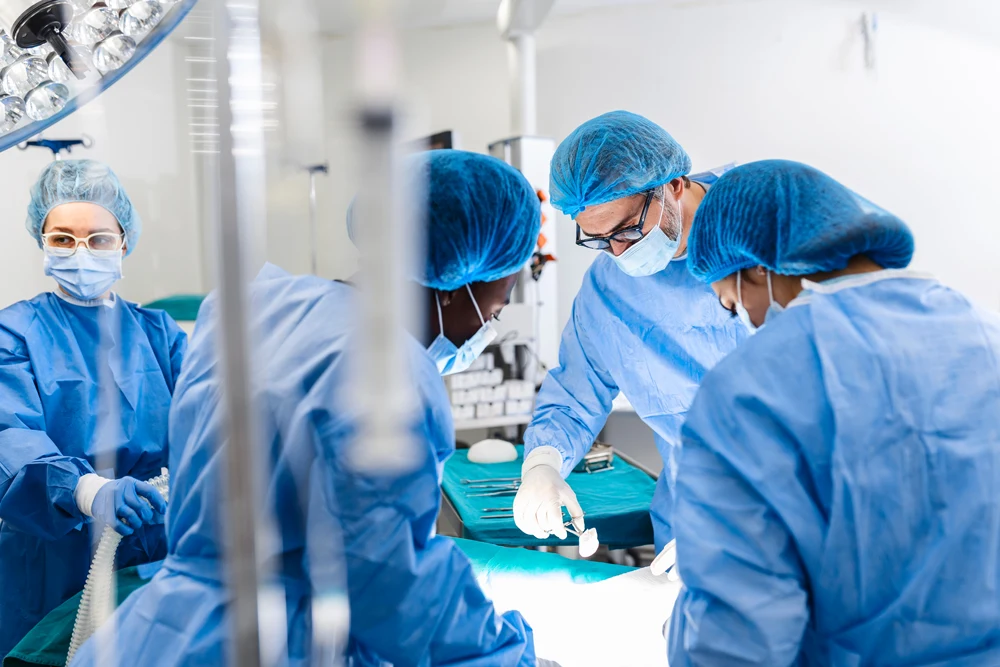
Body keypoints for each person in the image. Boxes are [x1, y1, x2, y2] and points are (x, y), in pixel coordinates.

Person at [70, 150, 542, 666]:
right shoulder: (392, 370)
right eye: (494, 310)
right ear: (454, 287)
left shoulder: (250, 307)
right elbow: (389, 584)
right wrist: (504, 652)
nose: (487, 330)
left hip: (157, 631)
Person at [668, 159, 1000, 665]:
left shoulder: (752, 388)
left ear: (756, 267)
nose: (745, 320)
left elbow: (737, 642)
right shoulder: (983, 332)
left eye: (731, 304)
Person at [512, 111, 747, 552]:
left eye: (627, 230)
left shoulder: (763, 228)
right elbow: (574, 394)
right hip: (693, 519)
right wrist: (542, 465)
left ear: (673, 185)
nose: (619, 253)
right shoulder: (609, 290)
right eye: (599, 240)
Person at [0, 160, 184, 657]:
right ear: (42, 242)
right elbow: (8, 436)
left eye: (98, 238)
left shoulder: (161, 335)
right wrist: (88, 490)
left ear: (124, 242)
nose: (80, 252)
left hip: (152, 547)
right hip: (52, 558)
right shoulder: (13, 333)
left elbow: (213, 423)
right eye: (63, 239)